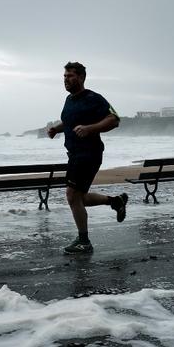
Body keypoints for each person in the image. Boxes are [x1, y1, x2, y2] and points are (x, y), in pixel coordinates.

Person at [47, 62, 128, 254]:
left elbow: (114, 119)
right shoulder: (69, 100)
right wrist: (56, 129)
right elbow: (69, 122)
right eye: (64, 76)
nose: (66, 79)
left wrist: (90, 128)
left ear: (81, 77)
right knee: (79, 197)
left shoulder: (93, 98)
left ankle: (84, 241)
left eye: (70, 76)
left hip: (89, 153)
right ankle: (115, 201)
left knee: (72, 195)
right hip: (74, 154)